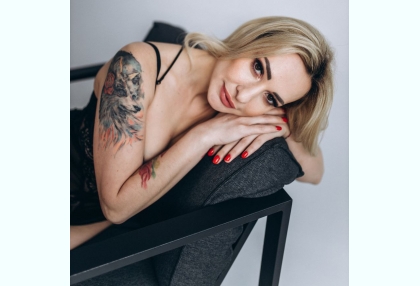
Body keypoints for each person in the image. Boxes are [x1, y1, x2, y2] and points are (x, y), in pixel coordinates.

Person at [70, 16, 334, 250]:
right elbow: (116, 208)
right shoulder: (134, 65)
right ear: (248, 40)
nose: (244, 95)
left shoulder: (243, 112)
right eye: (257, 68)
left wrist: (286, 129)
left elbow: (316, 173)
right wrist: (203, 136)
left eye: (270, 97)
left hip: (94, 224)